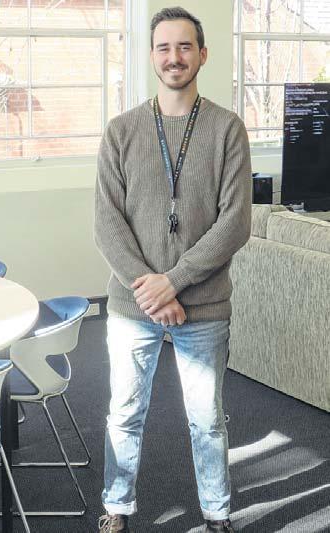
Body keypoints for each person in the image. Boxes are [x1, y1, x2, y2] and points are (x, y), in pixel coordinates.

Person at [94, 6, 252, 533]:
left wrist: (174, 282)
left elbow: (235, 223)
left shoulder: (228, 130)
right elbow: (107, 225)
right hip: (132, 305)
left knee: (207, 420)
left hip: (202, 305)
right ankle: (116, 507)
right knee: (124, 413)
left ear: (202, 55)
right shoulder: (121, 132)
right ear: (151, 56)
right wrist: (151, 292)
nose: (174, 57)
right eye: (164, 47)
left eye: (184, 47)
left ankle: (217, 513)